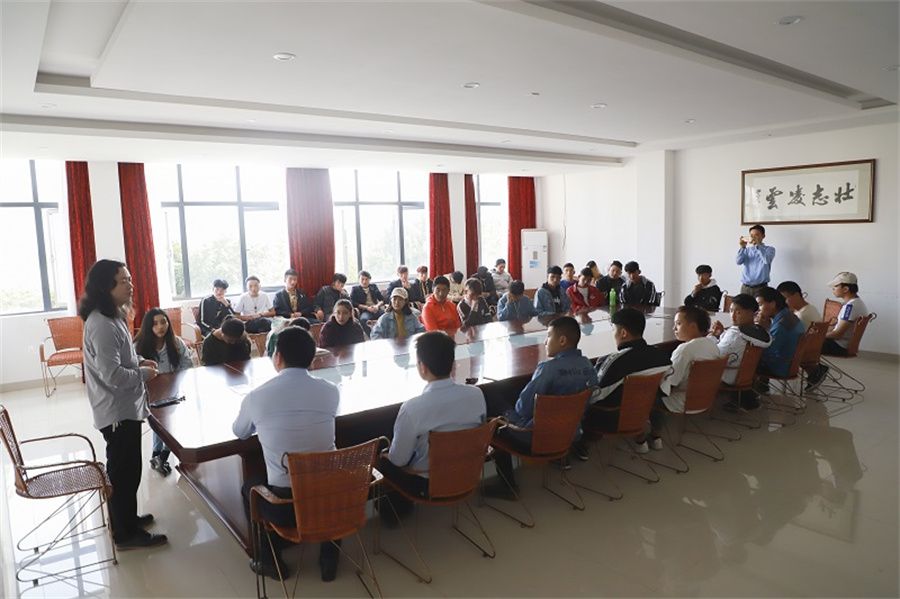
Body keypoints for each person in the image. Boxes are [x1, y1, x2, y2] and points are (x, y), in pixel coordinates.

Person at [232, 326, 342, 582]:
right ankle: (329, 558)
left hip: (285, 509)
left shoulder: (257, 397)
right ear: (312, 358)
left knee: (250, 487)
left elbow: (240, 432)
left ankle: (270, 561)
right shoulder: (331, 390)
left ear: (278, 357)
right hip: (332, 498)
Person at [79, 259, 167, 549]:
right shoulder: (102, 324)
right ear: (106, 287)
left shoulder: (113, 315)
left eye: (129, 279)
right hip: (116, 411)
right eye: (123, 281)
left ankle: (127, 520)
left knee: (129, 470)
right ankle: (125, 534)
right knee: (123, 473)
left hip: (124, 407)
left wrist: (141, 361)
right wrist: (144, 374)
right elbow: (113, 375)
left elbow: (122, 357)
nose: (131, 285)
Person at [378, 331, 486, 521]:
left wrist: (385, 456)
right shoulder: (477, 395)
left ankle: (395, 513)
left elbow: (399, 461)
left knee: (382, 457)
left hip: (428, 486)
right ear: (453, 364)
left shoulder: (412, 409)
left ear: (422, 367)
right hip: (469, 475)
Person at [488, 317, 597, 493]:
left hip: (534, 437)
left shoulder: (547, 368)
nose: (545, 342)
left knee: (492, 397)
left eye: (548, 336)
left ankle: (507, 486)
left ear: (562, 340)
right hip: (571, 433)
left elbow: (522, 410)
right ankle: (559, 455)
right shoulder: (588, 365)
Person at [584, 308, 671, 453]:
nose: (613, 334)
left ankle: (582, 445)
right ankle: (642, 437)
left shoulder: (615, 361)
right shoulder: (662, 357)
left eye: (613, 329)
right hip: (645, 413)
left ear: (623, 333)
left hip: (614, 419)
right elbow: (664, 389)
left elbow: (595, 395)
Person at [134, 308, 193, 476]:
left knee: (169, 424)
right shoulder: (139, 346)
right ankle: (159, 457)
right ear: (148, 327)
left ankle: (160, 457)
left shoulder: (176, 342)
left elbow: (187, 364)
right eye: (155, 324)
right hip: (150, 394)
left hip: (173, 392)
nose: (160, 327)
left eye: (163, 322)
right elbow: (133, 367)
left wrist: (176, 380)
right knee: (159, 425)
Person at [805, 272, 870, 388]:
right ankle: (817, 370)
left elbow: (837, 334)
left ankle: (816, 371)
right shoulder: (857, 303)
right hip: (842, 343)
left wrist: (816, 336)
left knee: (800, 345)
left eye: (835, 286)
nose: (833, 289)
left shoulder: (850, 307)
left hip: (839, 345)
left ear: (845, 289)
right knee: (804, 341)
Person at [708, 293, 772, 395]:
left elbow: (714, 356)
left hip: (726, 375)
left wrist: (712, 337)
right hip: (744, 376)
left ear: (752, 313)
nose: (733, 316)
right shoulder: (759, 333)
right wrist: (722, 334)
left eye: (738, 312)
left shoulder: (735, 333)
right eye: (731, 311)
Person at [661, 306, 721, 414]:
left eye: (678, 324)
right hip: (706, 400)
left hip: (681, 402)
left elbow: (670, 383)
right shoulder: (713, 346)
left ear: (693, 326)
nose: (674, 328)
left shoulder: (684, 350)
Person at [755, 286, 806, 394]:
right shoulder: (789, 316)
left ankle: (748, 395)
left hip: (780, 366)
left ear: (773, 304)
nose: (759, 309)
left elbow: (767, 350)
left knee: (746, 359)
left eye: (760, 304)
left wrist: (761, 329)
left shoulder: (781, 325)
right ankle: (761, 387)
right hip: (791, 364)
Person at [736, 224, 776, 296]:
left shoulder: (769, 249)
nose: (753, 237)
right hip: (745, 287)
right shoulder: (746, 250)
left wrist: (758, 245)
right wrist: (742, 247)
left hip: (761, 288)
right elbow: (738, 262)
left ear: (763, 236)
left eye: (756, 235)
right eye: (751, 235)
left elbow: (766, 260)